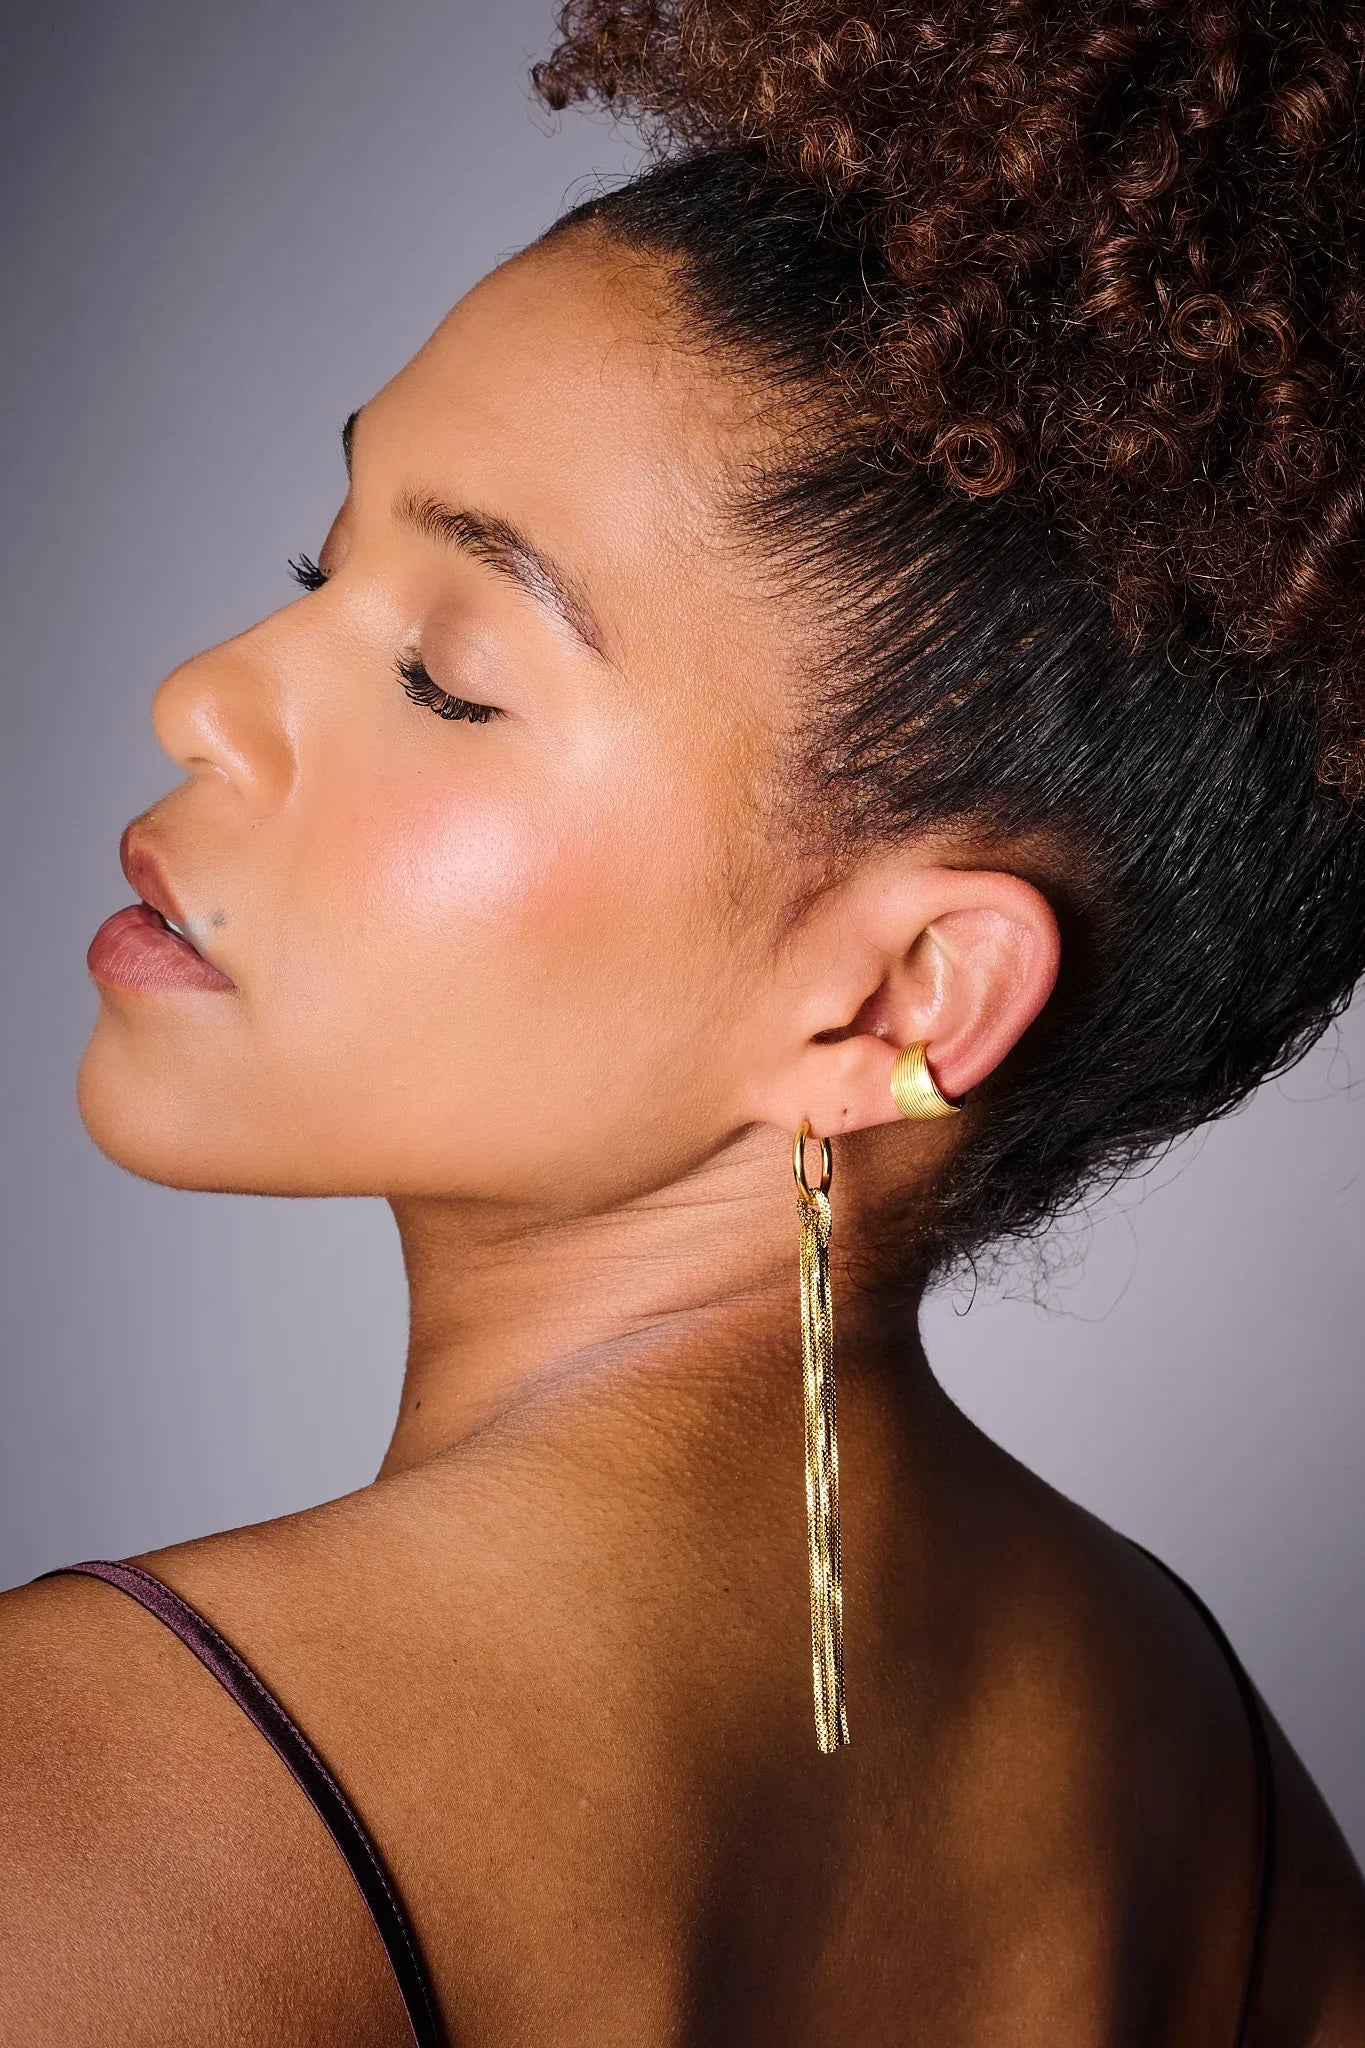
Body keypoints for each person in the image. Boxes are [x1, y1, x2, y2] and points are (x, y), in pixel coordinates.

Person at [3, 1, 1364, 2039]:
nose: (203, 694)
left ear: (895, 995)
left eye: (450, 676)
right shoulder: (1203, 1778)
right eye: (317, 561)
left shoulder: (96, 1804)